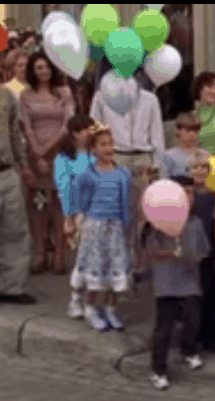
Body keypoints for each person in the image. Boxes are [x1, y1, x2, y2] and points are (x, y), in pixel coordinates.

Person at [90, 67, 164, 276]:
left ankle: (138, 263)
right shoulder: (101, 98)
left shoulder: (150, 100)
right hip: (116, 155)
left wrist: (156, 163)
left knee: (142, 214)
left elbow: (156, 133)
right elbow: (94, 128)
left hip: (142, 156)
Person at [143, 173, 210, 390]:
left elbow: (204, 250)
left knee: (192, 319)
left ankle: (188, 350)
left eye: (192, 193)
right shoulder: (156, 224)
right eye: (184, 193)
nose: (189, 197)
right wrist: (166, 253)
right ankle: (158, 370)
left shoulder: (196, 223)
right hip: (166, 284)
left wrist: (196, 256)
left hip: (189, 280)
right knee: (164, 328)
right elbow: (149, 251)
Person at [69, 123, 132, 332]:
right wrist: (75, 220)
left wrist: (126, 224)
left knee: (115, 270)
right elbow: (78, 200)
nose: (108, 148)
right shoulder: (88, 175)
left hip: (115, 229)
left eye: (110, 144)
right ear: (94, 149)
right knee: (95, 271)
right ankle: (90, 308)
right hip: (95, 227)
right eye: (102, 145)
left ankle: (111, 308)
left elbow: (125, 201)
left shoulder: (123, 174)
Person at [20, 51, 74, 274]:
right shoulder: (26, 95)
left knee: (59, 205)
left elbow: (67, 124)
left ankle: (60, 254)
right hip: (36, 158)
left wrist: (48, 149)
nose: (43, 71)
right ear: (33, 71)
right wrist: (37, 153)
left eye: (47, 67)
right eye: (39, 68)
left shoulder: (64, 92)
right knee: (39, 204)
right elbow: (26, 125)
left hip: (59, 154)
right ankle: (40, 252)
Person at [55, 114, 96, 317]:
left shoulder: (96, 155)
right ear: (74, 133)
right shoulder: (64, 159)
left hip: (100, 212)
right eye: (85, 130)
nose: (90, 133)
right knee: (84, 258)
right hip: (80, 213)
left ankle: (93, 300)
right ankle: (76, 299)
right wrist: (68, 217)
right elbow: (64, 189)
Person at [0, 82, 34, 305]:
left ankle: (11, 287)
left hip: (6, 170)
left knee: (16, 230)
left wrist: (23, 165)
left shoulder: (5, 96)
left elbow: (14, 132)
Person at [190, 154, 215, 354]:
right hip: (189, 255)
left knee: (212, 295)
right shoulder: (183, 197)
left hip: (209, 252)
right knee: (191, 298)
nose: (200, 171)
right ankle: (192, 336)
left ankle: (211, 336)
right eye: (196, 167)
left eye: (204, 167)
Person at [157, 113, 210, 180]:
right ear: (178, 131)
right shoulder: (168, 156)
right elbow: (163, 181)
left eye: (196, 131)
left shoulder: (205, 154)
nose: (192, 134)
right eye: (188, 131)